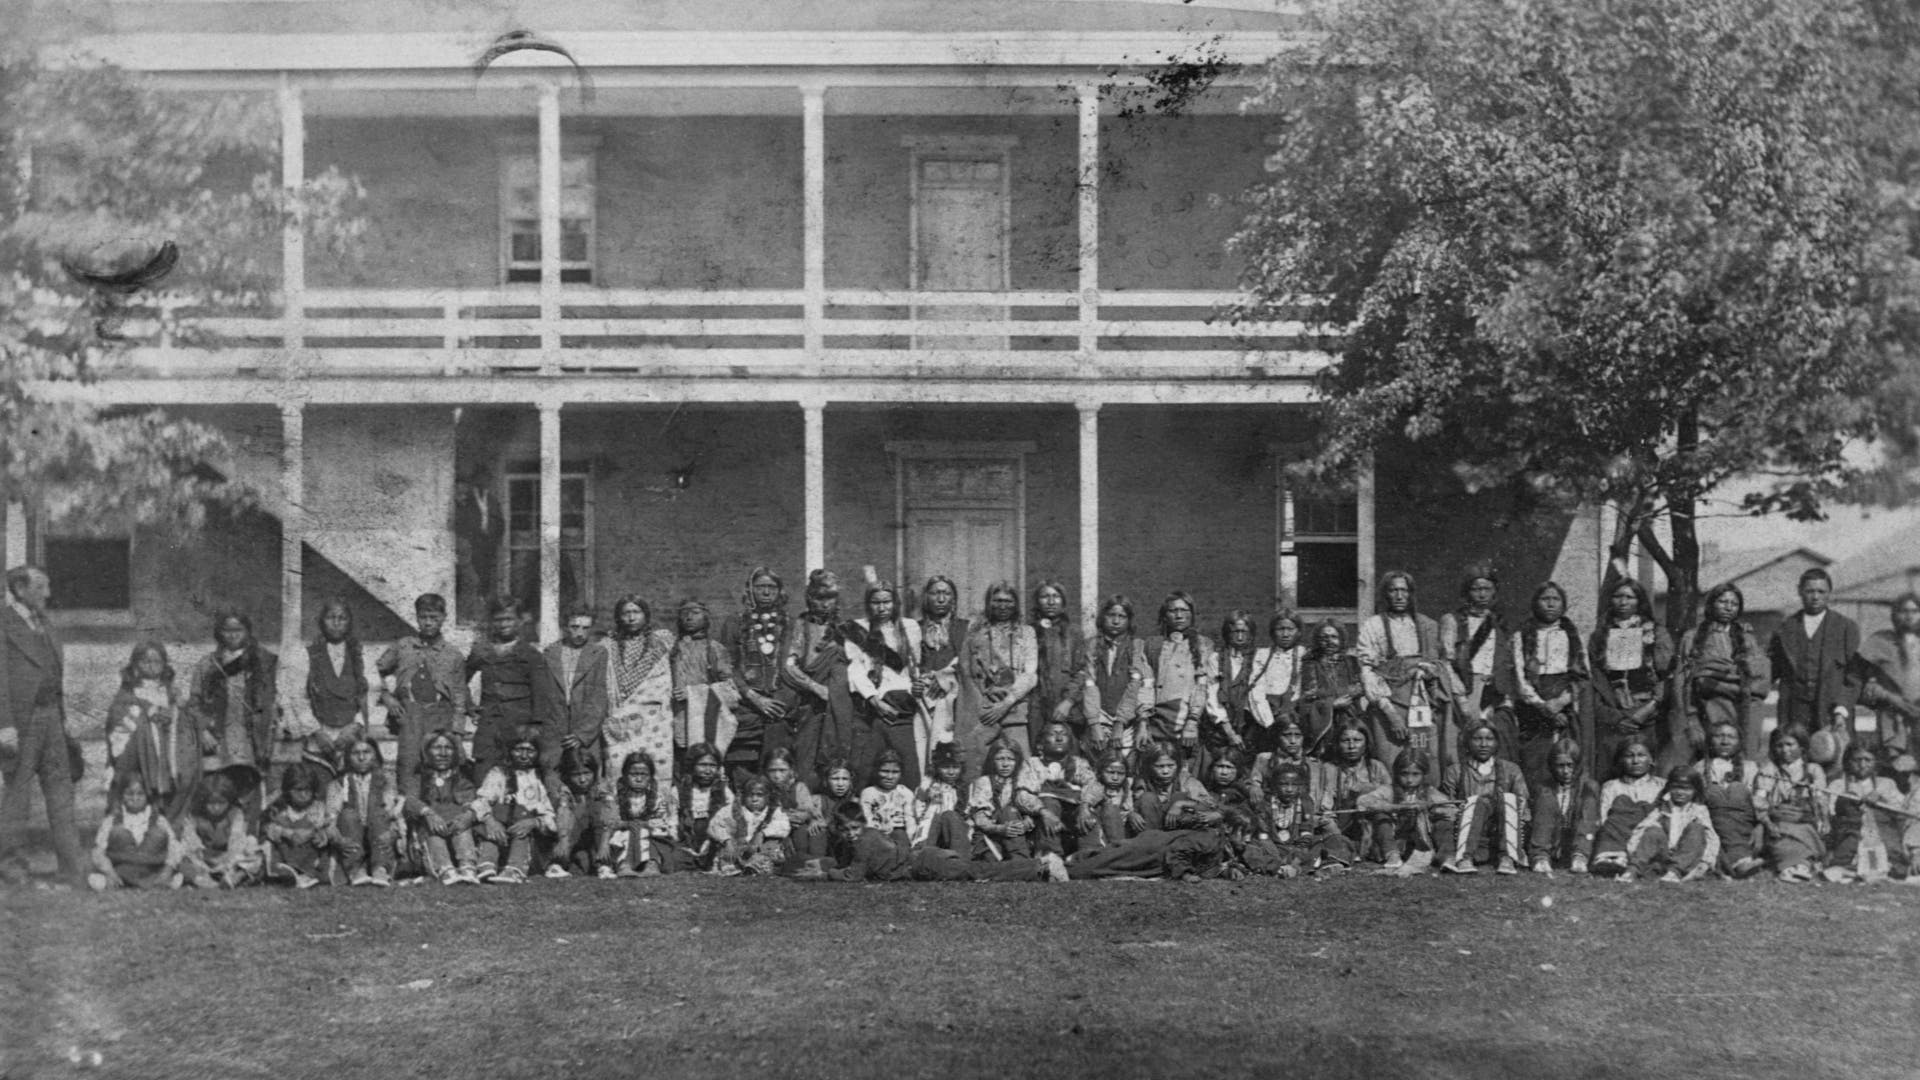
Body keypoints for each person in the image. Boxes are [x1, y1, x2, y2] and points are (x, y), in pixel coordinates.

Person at [184, 611, 280, 827]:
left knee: (250, 789)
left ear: (247, 631)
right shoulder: (207, 665)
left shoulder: (262, 662)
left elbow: (273, 700)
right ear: (219, 633)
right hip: (219, 738)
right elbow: (193, 704)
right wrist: (203, 731)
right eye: (227, 630)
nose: (233, 635)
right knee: (220, 790)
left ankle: (249, 837)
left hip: (251, 738)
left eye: (238, 630)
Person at [1355, 571, 1452, 775]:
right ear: (1385, 594)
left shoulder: (1427, 626)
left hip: (1422, 704)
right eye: (1393, 590)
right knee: (1392, 762)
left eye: (1404, 590)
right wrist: (1391, 715)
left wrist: (1427, 671)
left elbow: (1439, 664)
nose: (1399, 596)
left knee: (1426, 759)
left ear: (1411, 594)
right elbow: (1368, 671)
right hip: (1388, 706)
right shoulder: (1373, 626)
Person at [1672, 583, 1770, 771]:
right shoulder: (1692, 638)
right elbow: (1682, 682)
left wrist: (1724, 681)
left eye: (1734, 603)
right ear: (1711, 604)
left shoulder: (1747, 638)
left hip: (1741, 709)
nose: (1728, 607)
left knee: (1740, 763)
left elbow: (1758, 677)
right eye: (1722, 601)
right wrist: (1690, 720)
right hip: (1707, 710)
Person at [377, 593, 468, 790]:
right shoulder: (403, 646)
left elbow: (460, 694)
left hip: (440, 716)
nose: (428, 623)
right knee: (408, 768)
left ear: (443, 618)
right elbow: (375, 671)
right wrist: (387, 697)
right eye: (423, 617)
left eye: (434, 618)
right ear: (417, 617)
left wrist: (458, 732)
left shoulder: (453, 654)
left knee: (438, 769)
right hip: (409, 715)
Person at [1588, 580, 1674, 785]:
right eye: (1618, 596)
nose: (1623, 601)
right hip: (1613, 715)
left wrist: (1645, 712)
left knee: (1645, 769)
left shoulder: (1656, 633)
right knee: (1611, 772)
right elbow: (1595, 680)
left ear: (1639, 600)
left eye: (1629, 596)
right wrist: (1616, 718)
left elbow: (1666, 676)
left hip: (1646, 715)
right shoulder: (1600, 635)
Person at [1767, 568, 1860, 756]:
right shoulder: (1786, 628)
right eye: (1810, 591)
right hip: (1794, 710)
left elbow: (1854, 676)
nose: (1815, 597)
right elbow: (1771, 670)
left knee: (1833, 758)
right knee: (1793, 759)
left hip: (1832, 709)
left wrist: (1842, 709)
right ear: (1800, 591)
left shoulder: (1846, 627)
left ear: (1829, 594)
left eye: (1821, 592)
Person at [1509, 582, 1590, 788]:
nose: (1550, 604)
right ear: (1536, 603)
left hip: (1564, 702)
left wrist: (1561, 702)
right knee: (1534, 760)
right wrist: (1543, 706)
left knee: (1565, 756)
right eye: (1545, 599)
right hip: (1533, 708)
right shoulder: (1522, 636)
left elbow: (1582, 675)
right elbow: (1520, 678)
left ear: (1563, 605)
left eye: (1556, 599)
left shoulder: (1572, 636)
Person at [843, 582, 923, 787]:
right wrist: (874, 700)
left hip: (903, 704)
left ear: (895, 603)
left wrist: (915, 688)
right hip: (872, 703)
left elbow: (913, 667)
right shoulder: (857, 629)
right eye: (875, 602)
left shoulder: (910, 627)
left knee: (907, 762)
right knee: (867, 764)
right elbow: (856, 670)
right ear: (868, 604)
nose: (881, 608)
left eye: (886, 602)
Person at [784, 571, 858, 790]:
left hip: (841, 704)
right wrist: (815, 687)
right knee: (806, 758)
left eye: (830, 598)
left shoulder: (846, 628)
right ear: (809, 598)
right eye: (819, 598)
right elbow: (789, 665)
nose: (824, 604)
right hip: (810, 703)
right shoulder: (801, 625)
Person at [718, 568, 794, 778]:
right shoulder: (734, 622)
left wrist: (776, 699)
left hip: (779, 697)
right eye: (761, 587)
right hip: (745, 699)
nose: (767, 592)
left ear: (779, 591)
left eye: (772, 587)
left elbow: (792, 665)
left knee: (780, 724)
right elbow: (727, 666)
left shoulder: (789, 623)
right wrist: (753, 697)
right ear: (750, 590)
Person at [466, 596, 552, 779]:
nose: (503, 624)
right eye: (498, 619)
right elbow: (459, 680)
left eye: (509, 619)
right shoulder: (482, 651)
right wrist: (469, 705)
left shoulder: (531, 655)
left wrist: (535, 726)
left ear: (520, 621)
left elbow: (541, 694)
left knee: (519, 776)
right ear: (491, 622)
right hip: (489, 726)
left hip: (519, 726)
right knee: (483, 772)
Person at [113, 643, 198, 824]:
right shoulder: (129, 690)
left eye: (157, 661)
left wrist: (176, 708)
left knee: (174, 779)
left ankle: (172, 818)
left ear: (165, 664)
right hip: (143, 747)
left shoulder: (169, 689)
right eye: (145, 661)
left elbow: (183, 711)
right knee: (145, 781)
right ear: (135, 664)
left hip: (168, 746)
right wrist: (149, 712)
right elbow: (120, 711)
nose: (151, 666)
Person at [1437, 569, 1511, 772]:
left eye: (1487, 589)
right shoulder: (1452, 620)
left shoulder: (1498, 622)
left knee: (1490, 745)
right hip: (1464, 689)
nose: (1482, 594)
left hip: (1493, 691)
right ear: (1467, 592)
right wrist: (1461, 700)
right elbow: (1446, 663)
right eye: (1476, 589)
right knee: (1460, 746)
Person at [602, 594, 676, 786]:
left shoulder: (662, 643)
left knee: (654, 766)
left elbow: (664, 681)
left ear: (646, 615)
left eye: (636, 612)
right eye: (626, 613)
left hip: (654, 722)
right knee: (619, 763)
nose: (631, 618)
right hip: (620, 719)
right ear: (619, 617)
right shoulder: (607, 646)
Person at [469, 727, 559, 885]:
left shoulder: (539, 777)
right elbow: (482, 801)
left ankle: (515, 869)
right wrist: (491, 821)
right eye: (519, 750)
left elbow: (549, 816)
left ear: (537, 753)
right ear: (510, 750)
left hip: (527, 837)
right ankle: (486, 864)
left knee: (522, 829)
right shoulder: (498, 773)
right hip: (501, 831)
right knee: (492, 825)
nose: (524, 756)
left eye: (530, 751)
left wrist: (534, 822)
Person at [1439, 719, 1530, 874]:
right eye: (1477, 739)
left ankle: (1507, 858)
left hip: (1502, 833)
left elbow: (1522, 806)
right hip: (1467, 833)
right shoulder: (1455, 771)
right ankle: (1464, 858)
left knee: (1509, 799)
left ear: (1496, 742)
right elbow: (1447, 807)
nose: (1483, 744)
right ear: (1467, 742)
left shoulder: (1511, 770)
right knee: (1476, 802)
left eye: (1489, 739)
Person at [962, 582, 1038, 764]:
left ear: (1015, 604)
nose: (1003, 606)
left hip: (1014, 707)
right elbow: (968, 672)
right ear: (989, 603)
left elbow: (1030, 674)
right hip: (985, 710)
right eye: (997, 601)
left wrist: (1006, 703)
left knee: (1019, 763)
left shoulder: (1026, 633)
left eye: (1008, 601)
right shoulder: (977, 633)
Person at [1140, 592, 1217, 765]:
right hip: (1157, 721)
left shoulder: (1203, 644)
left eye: (1184, 610)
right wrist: (1143, 721)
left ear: (1192, 614)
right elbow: (1147, 684)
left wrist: (1192, 721)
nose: (1179, 615)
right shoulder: (1153, 645)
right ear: (1164, 616)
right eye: (1173, 611)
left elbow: (1202, 686)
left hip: (1186, 721)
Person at [539, 603, 610, 785]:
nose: (580, 633)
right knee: (552, 779)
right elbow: (544, 695)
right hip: (555, 730)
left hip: (585, 731)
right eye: (574, 627)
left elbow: (599, 698)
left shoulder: (598, 654)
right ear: (565, 627)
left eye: (585, 628)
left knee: (586, 778)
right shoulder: (550, 653)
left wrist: (582, 734)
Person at [1851, 592, 1920, 781]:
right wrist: (1881, 693)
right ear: (1894, 614)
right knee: (1894, 770)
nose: (1909, 616)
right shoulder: (1880, 641)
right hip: (1892, 716)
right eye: (1903, 611)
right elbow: (1857, 677)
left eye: (1915, 611)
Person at [1359, 749, 1455, 875]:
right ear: (1396, 773)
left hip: (1421, 842)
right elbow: (1362, 802)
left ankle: (1446, 857)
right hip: (1395, 840)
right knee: (1380, 816)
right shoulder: (1389, 790)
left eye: (1415, 774)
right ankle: (1392, 856)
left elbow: (1452, 810)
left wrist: (1431, 809)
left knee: (1443, 823)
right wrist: (1395, 807)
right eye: (1404, 774)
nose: (1409, 780)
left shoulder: (1429, 792)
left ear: (1424, 775)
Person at [403, 729, 480, 886]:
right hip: (429, 834)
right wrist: (428, 813)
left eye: (448, 748)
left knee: (462, 825)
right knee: (431, 828)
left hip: (456, 831)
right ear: (427, 751)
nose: (443, 753)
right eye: (437, 748)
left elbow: (468, 800)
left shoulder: (461, 778)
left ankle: (467, 867)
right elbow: (409, 801)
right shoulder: (418, 778)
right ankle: (445, 869)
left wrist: (465, 816)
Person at [670, 599, 741, 768]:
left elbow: (731, 693)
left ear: (706, 617)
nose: (689, 617)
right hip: (673, 719)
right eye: (684, 613)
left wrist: (693, 693)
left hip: (703, 720)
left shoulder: (715, 649)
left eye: (695, 613)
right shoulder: (671, 648)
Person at [304, 598, 371, 777]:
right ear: (321, 621)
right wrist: (316, 732)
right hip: (319, 735)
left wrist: (355, 726)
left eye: (342, 618)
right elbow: (300, 697)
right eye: (330, 617)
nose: (336, 623)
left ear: (349, 623)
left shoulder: (358, 653)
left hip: (350, 733)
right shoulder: (309, 654)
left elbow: (366, 695)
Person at [1823, 742, 1909, 882]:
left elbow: (1902, 810)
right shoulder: (1837, 785)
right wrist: (1846, 800)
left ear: (1876, 762)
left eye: (1868, 760)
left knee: (1890, 856)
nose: (1862, 765)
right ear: (1848, 762)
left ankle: (1871, 869)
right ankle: (1856, 870)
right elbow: (1832, 814)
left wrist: (1881, 799)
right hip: (1850, 834)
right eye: (1857, 760)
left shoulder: (1886, 784)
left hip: (1882, 835)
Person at [1752, 725, 1827, 883]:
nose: (1784, 750)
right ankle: (1795, 867)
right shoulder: (1769, 771)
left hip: (1804, 822)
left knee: (1803, 834)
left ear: (1801, 746)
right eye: (1779, 745)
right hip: (1777, 822)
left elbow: (1820, 801)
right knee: (1782, 835)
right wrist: (1767, 822)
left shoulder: (1813, 770)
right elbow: (1759, 801)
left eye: (1789, 745)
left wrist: (1823, 820)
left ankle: (1797, 867)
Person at [1623, 767, 1720, 883]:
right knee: (1653, 830)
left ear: (1696, 790)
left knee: (1696, 828)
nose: (1680, 792)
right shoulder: (1662, 810)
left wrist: (1706, 861)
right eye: (1676, 787)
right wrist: (1633, 853)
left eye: (1687, 789)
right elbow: (1640, 830)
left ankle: (1675, 872)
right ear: (1669, 788)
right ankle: (1632, 871)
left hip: (1687, 856)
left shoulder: (1699, 811)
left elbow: (1711, 837)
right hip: (1664, 856)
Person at [85, 773, 180, 891]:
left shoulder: (159, 819)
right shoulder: (112, 820)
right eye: (129, 794)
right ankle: (121, 882)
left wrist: (168, 870)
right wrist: (110, 872)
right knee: (118, 832)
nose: (135, 798)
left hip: (152, 869)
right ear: (122, 795)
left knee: (157, 834)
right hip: (122, 871)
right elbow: (98, 851)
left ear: (147, 796)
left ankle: (160, 881)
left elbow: (174, 846)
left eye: (140, 794)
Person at [913, 576, 970, 771]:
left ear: (953, 599)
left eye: (946, 593)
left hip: (954, 699)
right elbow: (908, 663)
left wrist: (944, 677)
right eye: (935, 593)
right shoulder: (914, 628)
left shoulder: (965, 628)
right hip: (922, 699)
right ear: (926, 598)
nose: (940, 599)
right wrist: (916, 682)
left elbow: (966, 662)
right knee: (922, 749)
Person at [1587, 737, 1665, 878]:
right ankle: (1613, 858)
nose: (1635, 761)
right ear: (1621, 760)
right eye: (1629, 756)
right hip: (1617, 837)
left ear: (1652, 759)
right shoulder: (1611, 786)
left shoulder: (1661, 785)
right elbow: (1604, 817)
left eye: (1641, 755)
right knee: (1619, 807)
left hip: (1646, 838)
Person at [1696, 720, 1765, 878]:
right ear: (1709, 741)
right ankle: (1740, 863)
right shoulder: (1700, 768)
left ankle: (1733, 863)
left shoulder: (1751, 767)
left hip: (1745, 821)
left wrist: (1760, 826)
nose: (1725, 741)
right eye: (1719, 736)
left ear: (1739, 742)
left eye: (1731, 737)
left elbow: (1759, 800)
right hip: (1713, 819)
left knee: (1738, 791)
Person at [325, 736, 397, 887]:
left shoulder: (386, 780)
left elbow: (394, 812)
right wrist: (338, 839)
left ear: (375, 755)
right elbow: (330, 817)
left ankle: (381, 869)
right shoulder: (339, 783)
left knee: (379, 814)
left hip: (378, 835)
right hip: (351, 836)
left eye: (367, 752)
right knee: (348, 814)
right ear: (348, 757)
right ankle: (356, 869)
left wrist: (393, 833)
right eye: (355, 753)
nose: (362, 757)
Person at [1019, 718, 1098, 856]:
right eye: (1053, 734)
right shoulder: (1032, 764)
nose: (1059, 738)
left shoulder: (1078, 763)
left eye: (1064, 734)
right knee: (1049, 802)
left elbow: (1093, 785)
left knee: (1089, 809)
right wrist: (1043, 812)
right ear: (1040, 745)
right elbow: (1022, 794)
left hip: (1074, 818)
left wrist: (1085, 806)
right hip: (1045, 817)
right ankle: (1051, 857)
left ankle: (1089, 857)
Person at [1081, 595, 1147, 756]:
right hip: (1098, 716)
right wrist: (1094, 724)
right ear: (1103, 617)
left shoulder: (1136, 646)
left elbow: (1135, 684)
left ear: (1129, 620)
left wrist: (1120, 722)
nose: (1116, 621)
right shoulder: (1092, 645)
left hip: (1127, 719)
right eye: (1111, 615)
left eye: (1122, 616)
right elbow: (1089, 682)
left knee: (1123, 766)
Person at [1317, 719, 1392, 859]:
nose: (1351, 746)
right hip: (1342, 824)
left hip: (1372, 823)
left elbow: (1389, 793)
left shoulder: (1376, 767)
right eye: (1345, 741)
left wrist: (1369, 792)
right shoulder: (1329, 769)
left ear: (1366, 743)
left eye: (1357, 740)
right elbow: (1325, 807)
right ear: (1337, 744)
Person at [1526, 739, 1600, 875]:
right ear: (1552, 766)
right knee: (1545, 797)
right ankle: (1540, 857)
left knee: (1588, 799)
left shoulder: (1587, 787)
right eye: (1560, 766)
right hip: (1551, 841)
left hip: (1577, 842)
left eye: (1570, 765)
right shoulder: (1543, 787)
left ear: (1577, 765)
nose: (1565, 771)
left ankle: (1580, 858)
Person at [177, 774, 263, 889]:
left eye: (221, 803)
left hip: (229, 859)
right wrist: (200, 858)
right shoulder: (194, 815)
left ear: (229, 800)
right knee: (179, 856)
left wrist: (229, 863)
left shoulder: (235, 814)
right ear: (203, 801)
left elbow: (236, 842)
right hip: (202, 860)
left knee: (253, 848)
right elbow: (190, 842)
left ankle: (233, 878)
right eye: (211, 803)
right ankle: (204, 881)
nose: (216, 808)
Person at [1028, 580, 1087, 743]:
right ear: (1037, 602)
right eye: (1045, 596)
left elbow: (1082, 671)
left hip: (1067, 708)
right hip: (1036, 708)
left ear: (1063, 602)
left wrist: (1068, 702)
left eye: (1056, 596)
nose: (1051, 602)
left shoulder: (1074, 633)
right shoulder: (1028, 632)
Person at [262, 762, 338, 889]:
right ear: (288, 790)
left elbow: (330, 827)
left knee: (313, 835)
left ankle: (305, 873)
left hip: (310, 854)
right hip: (286, 849)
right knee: (274, 834)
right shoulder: (280, 808)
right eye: (298, 790)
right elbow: (265, 826)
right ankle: (287, 871)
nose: (303, 795)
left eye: (308, 790)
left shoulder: (318, 808)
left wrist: (322, 836)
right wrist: (287, 833)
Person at [602, 750, 674, 878]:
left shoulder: (656, 797)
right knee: (623, 836)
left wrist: (646, 824)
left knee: (652, 836)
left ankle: (652, 864)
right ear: (625, 775)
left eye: (643, 774)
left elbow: (661, 819)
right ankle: (624, 864)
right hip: (625, 829)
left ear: (650, 777)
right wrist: (625, 824)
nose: (639, 779)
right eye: (633, 774)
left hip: (649, 830)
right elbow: (612, 818)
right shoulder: (617, 796)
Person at [1298, 622, 1364, 760]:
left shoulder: (1351, 662)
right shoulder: (1310, 663)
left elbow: (1358, 689)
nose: (1329, 642)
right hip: (1324, 721)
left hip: (1350, 716)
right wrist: (1332, 704)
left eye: (1334, 637)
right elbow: (1310, 694)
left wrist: (1330, 694)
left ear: (1341, 639)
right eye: (1324, 638)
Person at [708, 774, 791, 876]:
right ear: (743, 795)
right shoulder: (733, 809)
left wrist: (762, 834)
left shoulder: (773, 810)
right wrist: (727, 841)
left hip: (760, 847)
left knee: (771, 846)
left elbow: (783, 825)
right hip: (737, 847)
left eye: (759, 795)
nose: (754, 799)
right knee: (726, 854)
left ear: (768, 796)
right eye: (750, 795)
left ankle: (755, 867)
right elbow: (715, 825)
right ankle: (735, 866)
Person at [668, 742, 732, 873]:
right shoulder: (678, 791)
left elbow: (730, 821)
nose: (708, 770)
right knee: (672, 860)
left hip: (714, 840)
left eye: (712, 765)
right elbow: (672, 821)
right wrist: (678, 843)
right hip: (686, 843)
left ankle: (711, 862)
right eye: (703, 765)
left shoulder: (724, 791)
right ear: (692, 766)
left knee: (727, 856)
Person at [549, 749, 606, 879]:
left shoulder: (600, 787)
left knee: (597, 809)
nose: (582, 779)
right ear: (567, 775)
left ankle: (603, 863)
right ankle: (558, 862)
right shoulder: (565, 791)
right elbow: (563, 813)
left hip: (597, 838)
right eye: (576, 775)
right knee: (578, 812)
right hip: (570, 836)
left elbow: (609, 814)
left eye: (587, 773)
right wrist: (563, 839)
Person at [910, 742, 969, 852]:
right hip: (931, 824)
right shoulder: (928, 786)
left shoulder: (962, 788)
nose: (951, 772)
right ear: (937, 768)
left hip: (952, 828)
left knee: (951, 819)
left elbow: (965, 811)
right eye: (945, 767)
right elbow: (919, 806)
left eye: (955, 767)